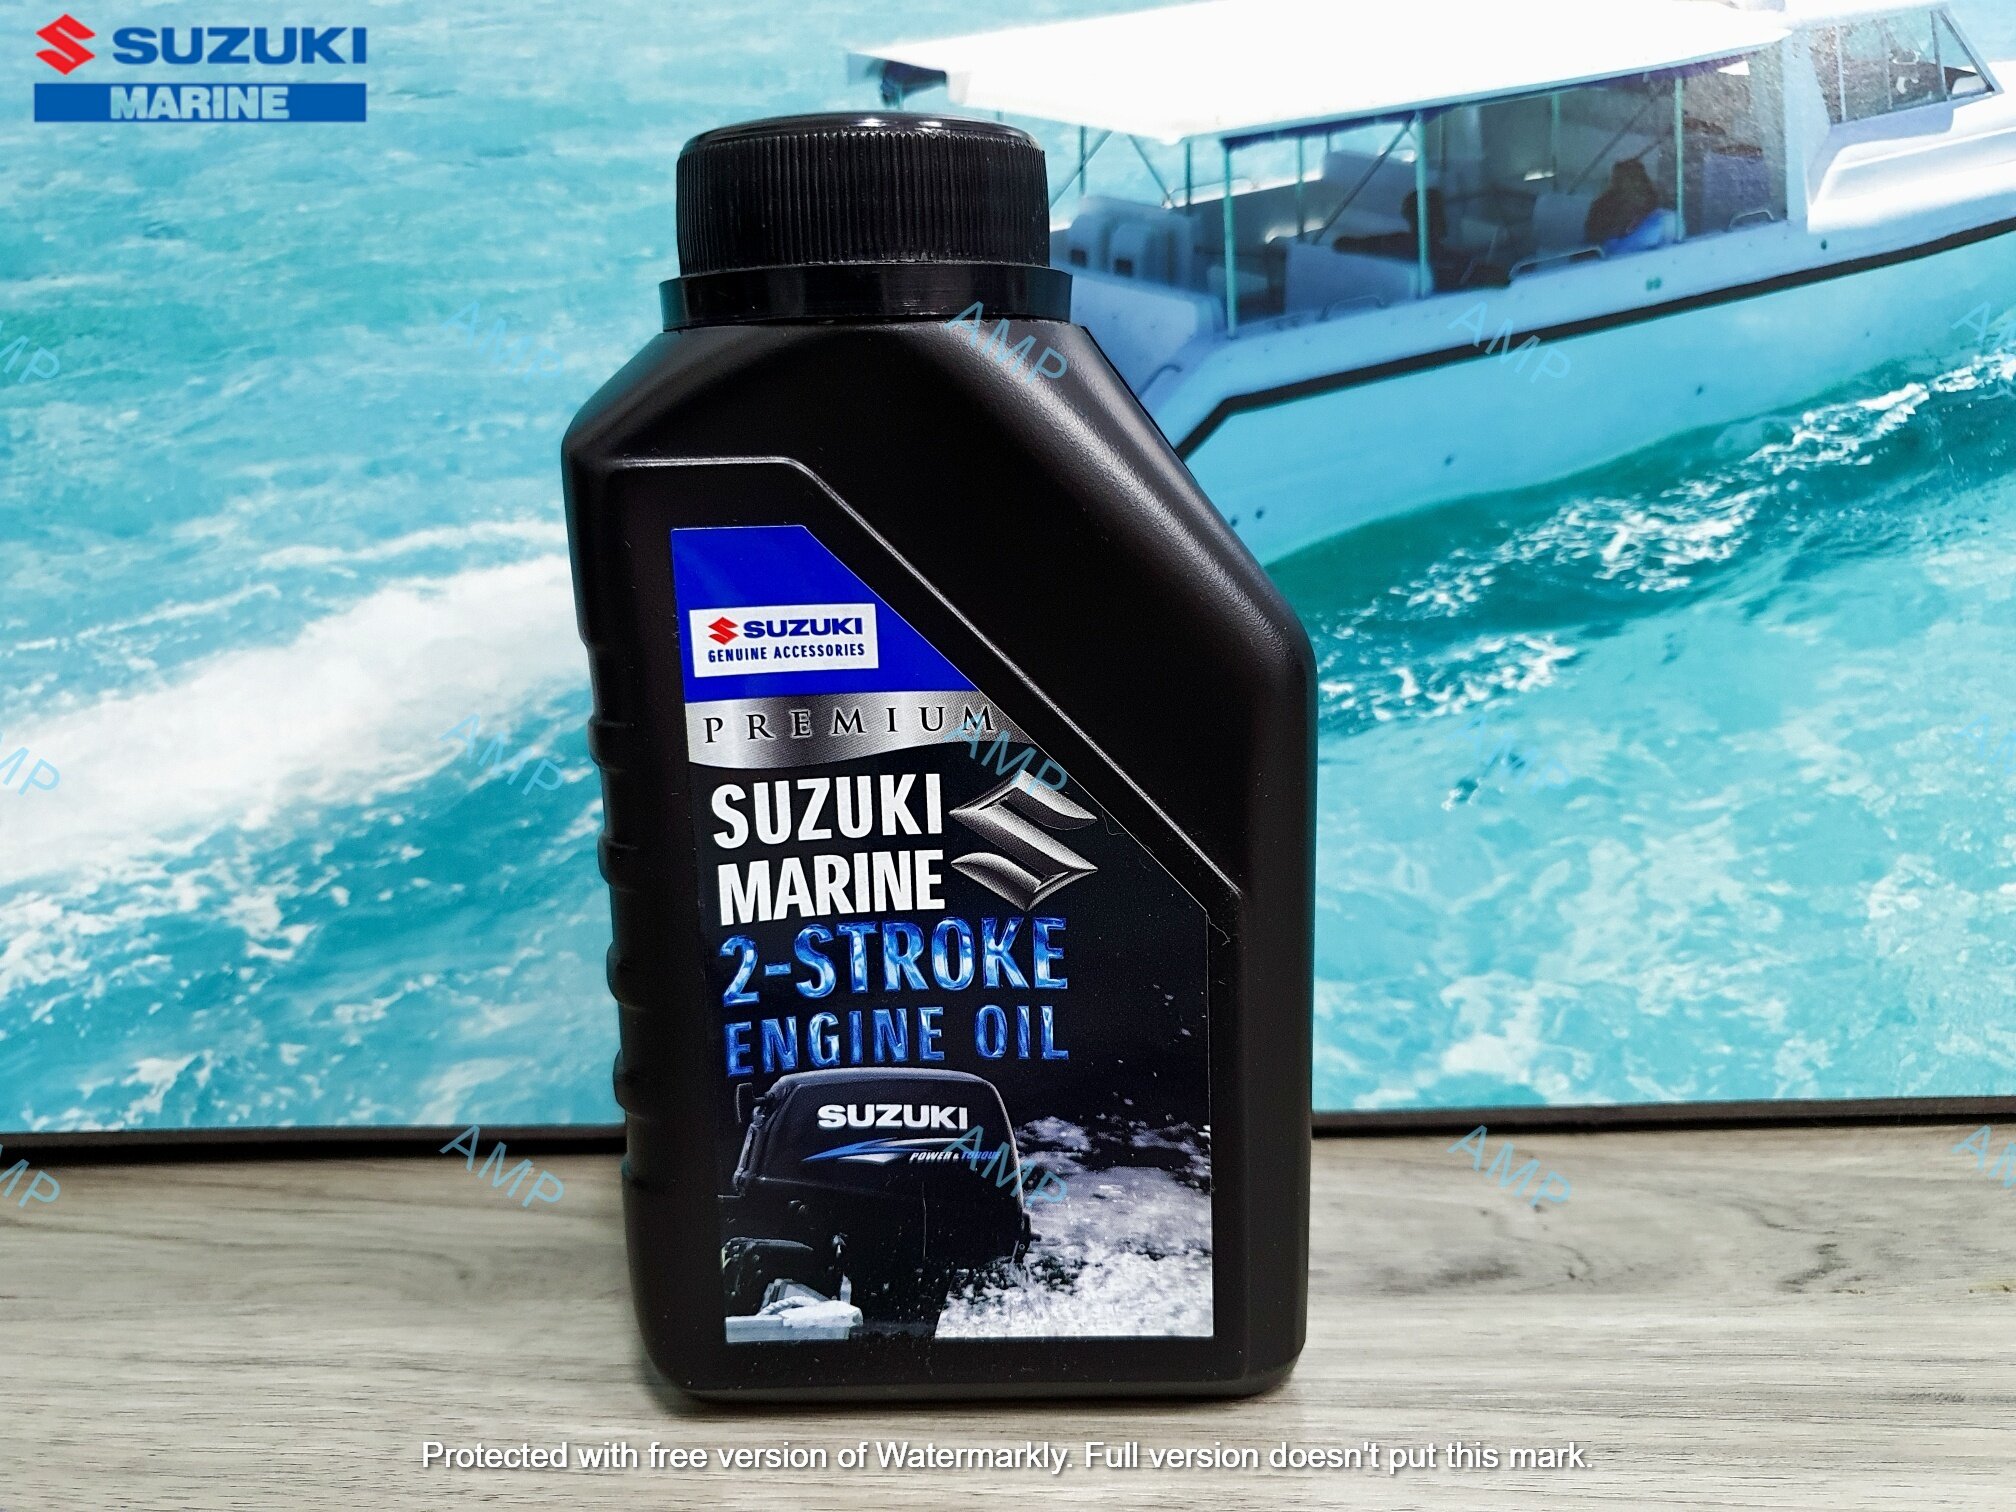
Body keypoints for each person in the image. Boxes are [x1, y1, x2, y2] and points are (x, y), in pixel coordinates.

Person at [1585, 158, 1673, 253]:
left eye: (1636, 178)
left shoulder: (1660, 214)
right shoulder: (1601, 207)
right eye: (1625, 179)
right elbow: (1592, 242)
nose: (1634, 183)